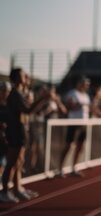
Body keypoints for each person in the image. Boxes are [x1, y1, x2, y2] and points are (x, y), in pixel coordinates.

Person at [0, 69, 50, 203]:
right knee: (11, 163)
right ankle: (4, 191)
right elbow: (27, 110)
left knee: (18, 163)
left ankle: (17, 188)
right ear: (16, 78)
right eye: (22, 75)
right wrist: (42, 98)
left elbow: (27, 111)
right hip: (14, 130)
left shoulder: (19, 93)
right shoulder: (15, 94)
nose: (26, 76)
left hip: (20, 130)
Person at [57, 76, 91, 178]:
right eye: (85, 84)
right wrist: (77, 106)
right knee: (69, 145)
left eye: (87, 84)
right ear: (79, 84)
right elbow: (68, 107)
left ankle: (74, 167)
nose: (86, 86)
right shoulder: (72, 93)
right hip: (73, 123)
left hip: (84, 123)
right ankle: (60, 168)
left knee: (80, 146)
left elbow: (89, 109)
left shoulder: (86, 96)